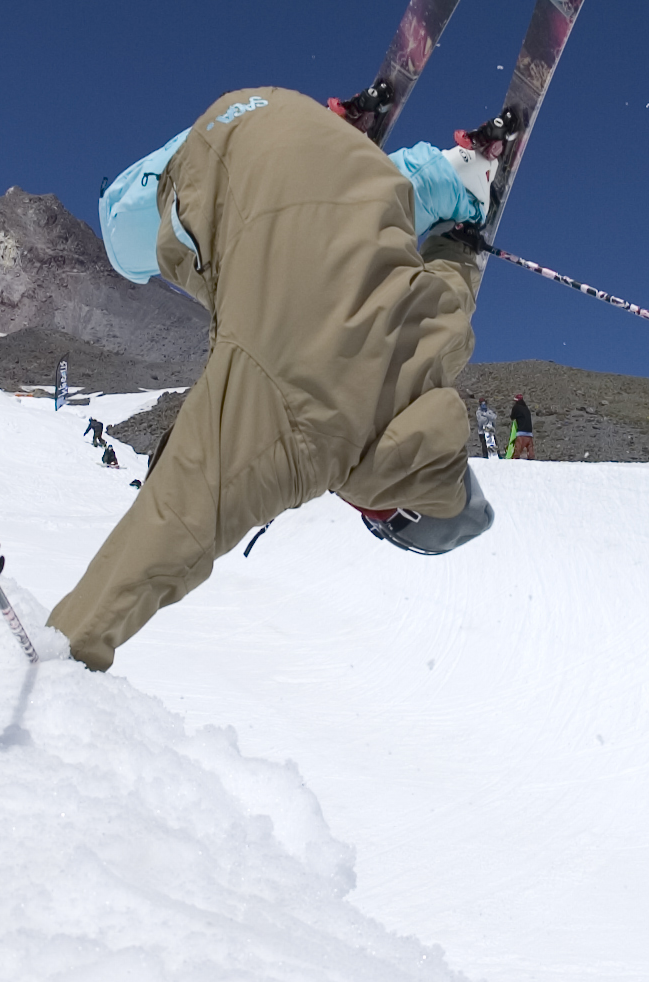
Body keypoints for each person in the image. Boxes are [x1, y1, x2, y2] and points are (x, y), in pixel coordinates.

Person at [46, 85, 508, 671]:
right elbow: (172, 527)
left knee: (364, 210)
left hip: (312, 132)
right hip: (221, 146)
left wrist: (463, 238)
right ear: (389, 508)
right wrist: (70, 644)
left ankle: (450, 177)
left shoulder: (441, 343)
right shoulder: (305, 444)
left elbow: (458, 276)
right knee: (124, 243)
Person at [508, 392, 534, 459]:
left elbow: (512, 417)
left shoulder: (516, 407)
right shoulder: (526, 408)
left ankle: (514, 461)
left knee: (518, 449)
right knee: (530, 450)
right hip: (530, 432)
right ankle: (532, 460)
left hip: (521, 432)